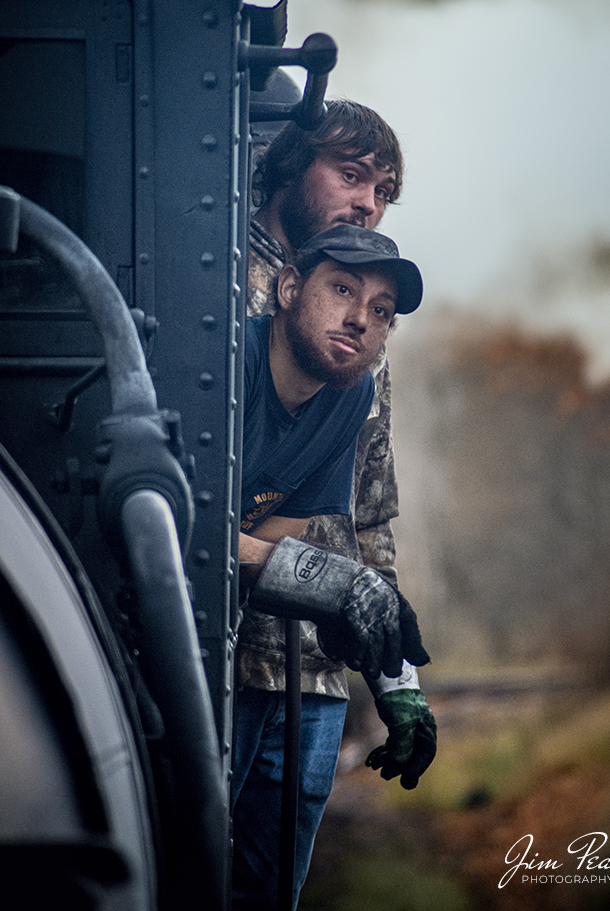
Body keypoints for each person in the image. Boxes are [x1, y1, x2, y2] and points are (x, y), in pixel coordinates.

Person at [235, 224, 433, 911]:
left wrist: (393, 676)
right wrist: (329, 585)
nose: (359, 319)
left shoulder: (348, 396)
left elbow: (262, 550)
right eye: (342, 290)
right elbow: (174, 532)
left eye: (381, 311)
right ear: (289, 289)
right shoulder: (226, 363)